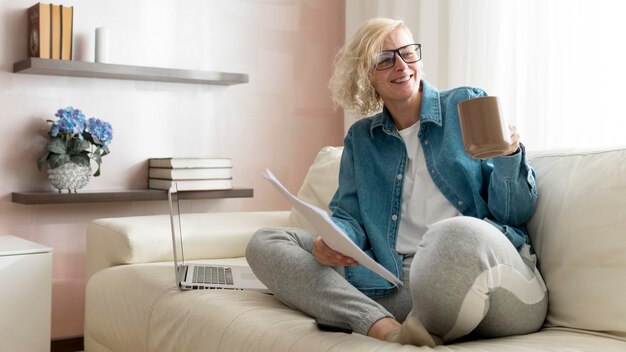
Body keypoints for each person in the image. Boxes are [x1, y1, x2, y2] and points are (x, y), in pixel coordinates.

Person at [246, 17, 548, 347]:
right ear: (366, 75)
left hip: (495, 280)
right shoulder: (362, 139)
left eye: (408, 53)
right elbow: (349, 219)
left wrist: (509, 155)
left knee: (452, 232)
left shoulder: (465, 105)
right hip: (402, 283)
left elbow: (514, 212)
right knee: (266, 242)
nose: (401, 65)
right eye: (384, 58)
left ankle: (388, 314)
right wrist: (332, 240)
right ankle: (382, 326)